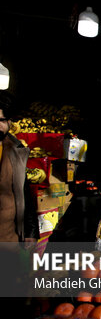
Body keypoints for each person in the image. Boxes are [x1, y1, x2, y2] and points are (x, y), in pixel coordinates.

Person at [0, 91, 38, 244]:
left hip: (8, 238)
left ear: (10, 122)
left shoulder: (16, 151)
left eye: (1, 120)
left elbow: (24, 191)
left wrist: (31, 230)